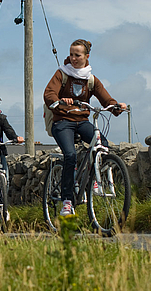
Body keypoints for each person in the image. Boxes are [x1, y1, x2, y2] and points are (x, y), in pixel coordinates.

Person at [44, 39, 127, 216]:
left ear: (86, 56)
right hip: (63, 122)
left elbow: (106, 98)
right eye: (71, 54)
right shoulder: (62, 73)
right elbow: (49, 93)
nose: (73, 58)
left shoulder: (90, 79)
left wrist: (116, 106)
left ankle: (95, 180)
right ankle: (67, 200)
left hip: (82, 121)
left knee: (102, 145)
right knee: (70, 155)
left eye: (77, 55)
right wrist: (58, 101)